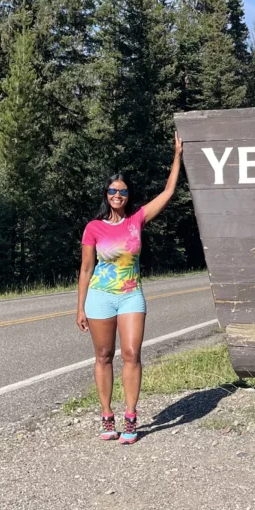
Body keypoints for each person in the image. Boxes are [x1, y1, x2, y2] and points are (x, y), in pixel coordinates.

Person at [76, 132, 183, 444]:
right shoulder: (93, 228)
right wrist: (80, 306)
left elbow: (168, 192)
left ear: (128, 195)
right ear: (106, 194)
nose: (117, 195)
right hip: (99, 297)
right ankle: (107, 415)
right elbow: (86, 269)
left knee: (132, 353)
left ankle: (131, 417)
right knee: (104, 354)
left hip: (131, 295)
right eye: (112, 190)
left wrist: (177, 156)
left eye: (122, 191)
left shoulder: (137, 218)